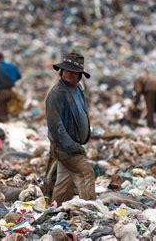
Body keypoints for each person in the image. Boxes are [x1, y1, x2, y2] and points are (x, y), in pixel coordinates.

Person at [44, 52, 95, 205]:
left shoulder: (77, 89)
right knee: (87, 174)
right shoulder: (57, 94)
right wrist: (74, 147)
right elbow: (56, 127)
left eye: (73, 72)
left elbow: (82, 112)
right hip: (64, 147)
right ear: (61, 71)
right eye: (66, 70)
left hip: (72, 145)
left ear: (79, 76)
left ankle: (57, 208)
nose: (68, 74)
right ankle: (91, 210)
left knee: (64, 181)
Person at [0, 52, 22, 122]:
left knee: (2, 111)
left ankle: (6, 125)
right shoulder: (12, 66)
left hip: (2, 92)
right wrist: (12, 80)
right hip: (11, 91)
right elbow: (19, 76)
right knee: (10, 108)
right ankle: (12, 121)